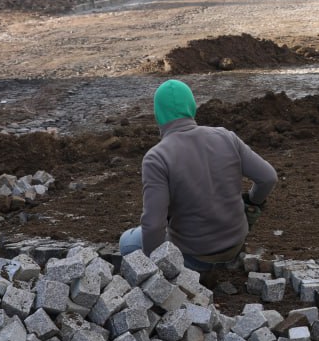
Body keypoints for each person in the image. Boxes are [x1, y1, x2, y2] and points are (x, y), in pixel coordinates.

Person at [119, 80, 277, 284]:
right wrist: (253, 202)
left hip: (193, 257)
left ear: (158, 114)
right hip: (235, 247)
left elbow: (153, 224)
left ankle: (183, 275)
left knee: (128, 241)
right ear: (191, 107)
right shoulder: (226, 137)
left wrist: (154, 271)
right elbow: (268, 178)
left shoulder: (157, 157)